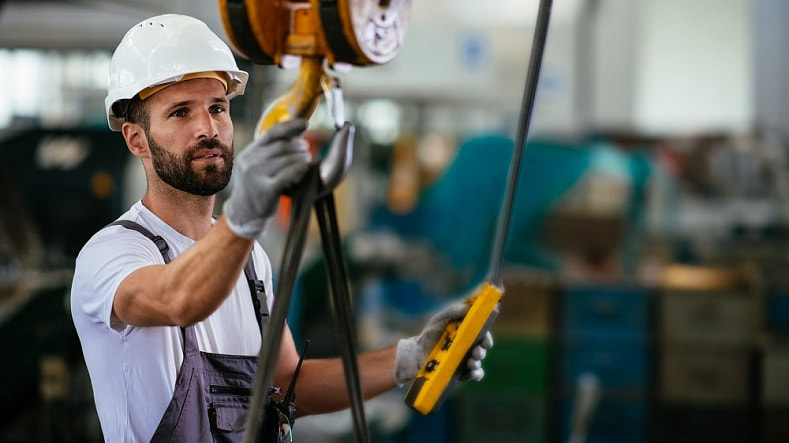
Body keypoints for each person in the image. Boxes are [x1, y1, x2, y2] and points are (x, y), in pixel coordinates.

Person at [70, 14, 492, 442]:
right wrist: (245, 216)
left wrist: (410, 358)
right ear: (136, 139)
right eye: (180, 113)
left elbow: (293, 385)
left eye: (218, 107)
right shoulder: (112, 253)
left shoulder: (250, 260)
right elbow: (178, 298)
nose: (208, 128)